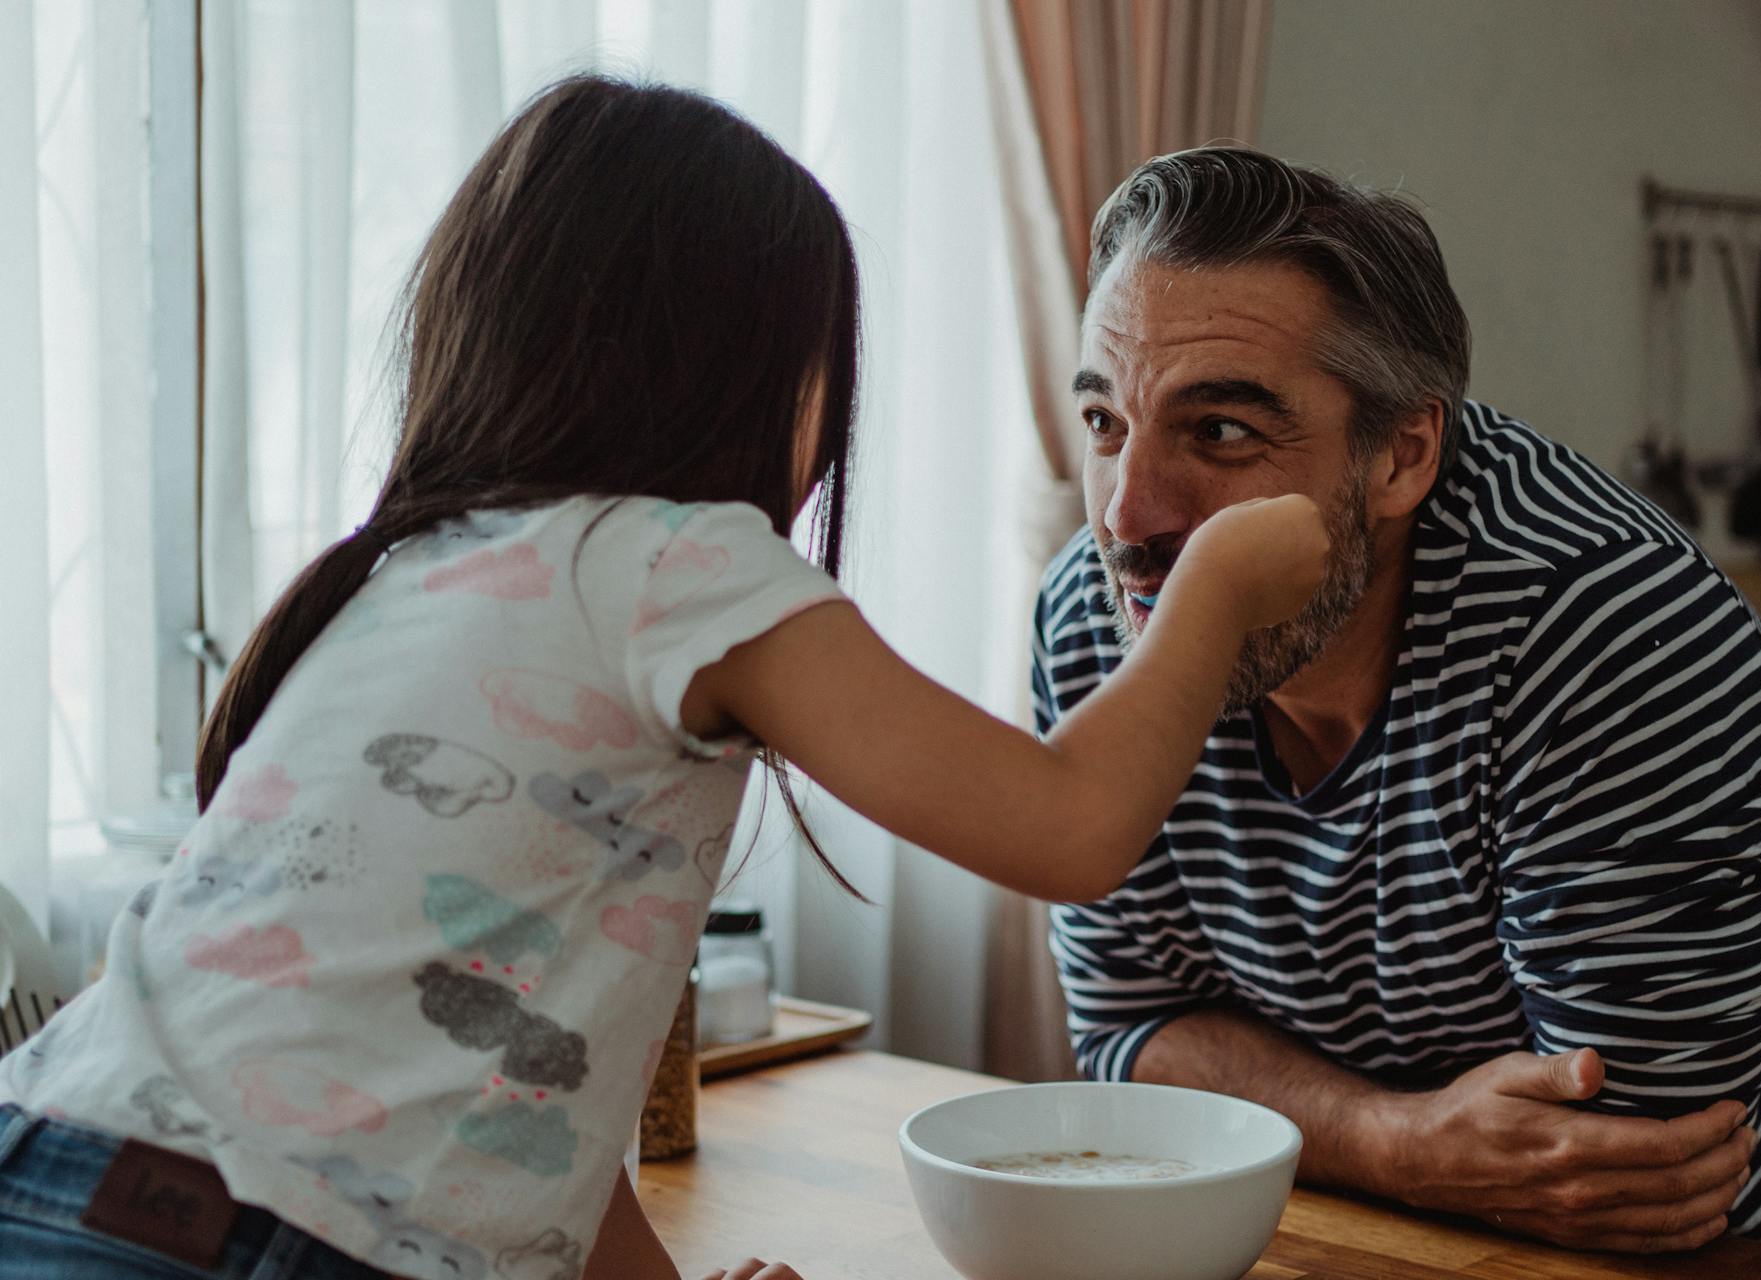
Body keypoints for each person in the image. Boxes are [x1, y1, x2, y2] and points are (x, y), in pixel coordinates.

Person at [0, 82, 1330, 1280]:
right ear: (754, 369)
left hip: (57, 1161)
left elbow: (542, 1137)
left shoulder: (406, 571)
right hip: (251, 1239)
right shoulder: (676, 563)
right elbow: (1071, 826)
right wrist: (1214, 584)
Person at [1037, 146, 1761, 1271]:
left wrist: (1292, 1109)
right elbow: (1126, 1037)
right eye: (1107, 422)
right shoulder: (1094, 613)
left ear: (1404, 453)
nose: (1128, 515)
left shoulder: (1605, 633)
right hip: (1390, 1237)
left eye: (1220, 433)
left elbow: (1615, 1170)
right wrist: (1397, 1138)